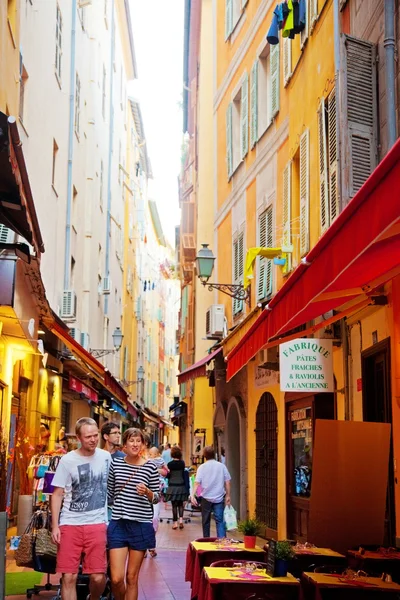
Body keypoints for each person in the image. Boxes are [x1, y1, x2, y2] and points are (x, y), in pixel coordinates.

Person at [51, 417, 110, 600]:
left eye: (95, 435)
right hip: (70, 523)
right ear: (78, 437)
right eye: (88, 437)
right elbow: (58, 493)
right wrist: (55, 526)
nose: (93, 440)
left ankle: (93, 598)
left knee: (98, 577)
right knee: (69, 576)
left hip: (97, 523)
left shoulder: (106, 457)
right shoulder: (68, 460)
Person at [107, 428, 160, 600]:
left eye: (138, 441)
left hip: (141, 525)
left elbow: (157, 498)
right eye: (131, 440)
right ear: (124, 444)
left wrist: (147, 493)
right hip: (119, 523)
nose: (135, 444)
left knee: (131, 578)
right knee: (115, 579)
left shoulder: (150, 467)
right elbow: (108, 494)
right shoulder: (116, 464)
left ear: (143, 444)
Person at [191, 445, 231, 538]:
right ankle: (222, 542)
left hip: (206, 498)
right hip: (219, 497)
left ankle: (206, 541)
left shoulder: (202, 467)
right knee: (220, 520)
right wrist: (228, 495)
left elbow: (197, 483)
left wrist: (192, 495)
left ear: (205, 456)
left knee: (205, 521)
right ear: (214, 455)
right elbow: (228, 481)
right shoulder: (221, 466)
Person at [147, 446, 168, 557]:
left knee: (154, 519)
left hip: (155, 494)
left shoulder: (157, 461)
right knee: (145, 520)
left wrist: (158, 470)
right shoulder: (144, 460)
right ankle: (145, 546)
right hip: (144, 495)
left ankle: (151, 545)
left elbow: (166, 471)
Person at [164, 446, 188, 530]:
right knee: (180, 504)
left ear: (172, 454)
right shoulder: (182, 463)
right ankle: (181, 520)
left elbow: (169, 475)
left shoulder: (170, 464)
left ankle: (175, 523)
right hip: (181, 486)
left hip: (173, 486)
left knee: (174, 505)